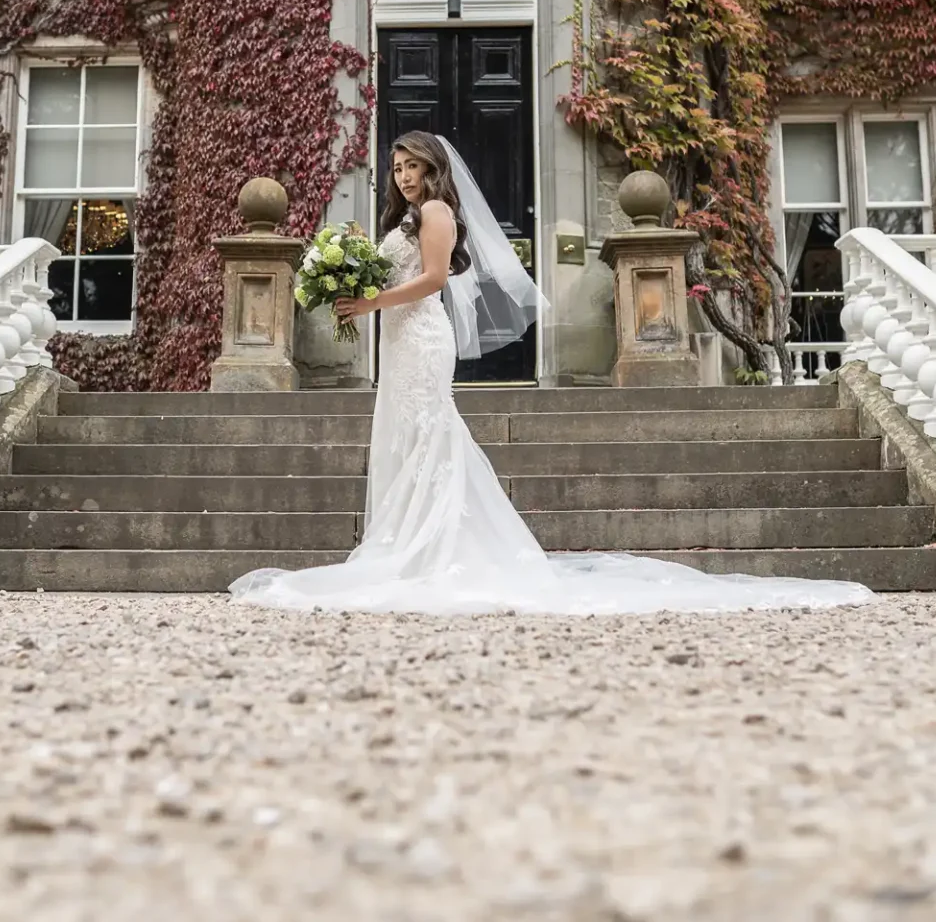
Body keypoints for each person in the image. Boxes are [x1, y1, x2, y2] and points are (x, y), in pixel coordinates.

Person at [228, 132, 875, 615]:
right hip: (399, 342)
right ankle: (406, 540)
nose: (401, 176)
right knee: (407, 439)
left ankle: (429, 547)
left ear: (434, 172)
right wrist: (356, 275)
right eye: (396, 167)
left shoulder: (437, 215)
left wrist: (367, 301)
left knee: (430, 437)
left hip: (421, 338)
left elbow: (429, 279)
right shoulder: (404, 217)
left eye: (412, 167)